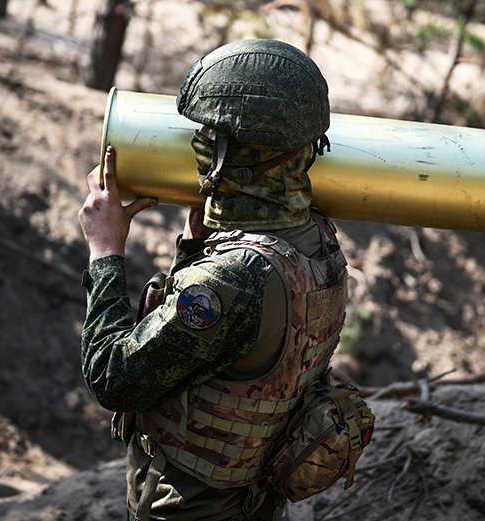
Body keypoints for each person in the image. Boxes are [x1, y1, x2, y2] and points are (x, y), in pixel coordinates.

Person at [78, 39, 350, 521]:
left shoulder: (231, 279)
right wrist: (194, 246)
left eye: (207, 131)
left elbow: (113, 378)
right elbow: (229, 359)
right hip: (256, 504)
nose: (197, 140)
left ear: (229, 153)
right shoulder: (319, 242)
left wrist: (105, 253)